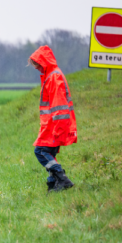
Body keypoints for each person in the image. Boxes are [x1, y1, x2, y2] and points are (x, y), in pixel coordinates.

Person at [28, 46, 76, 192]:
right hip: (51, 126)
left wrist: (58, 129)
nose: (36, 67)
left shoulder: (53, 77)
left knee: (40, 152)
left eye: (36, 64)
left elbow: (59, 106)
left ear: (44, 62)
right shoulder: (51, 75)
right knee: (49, 154)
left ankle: (62, 178)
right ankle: (53, 184)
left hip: (54, 126)